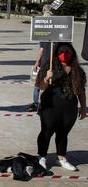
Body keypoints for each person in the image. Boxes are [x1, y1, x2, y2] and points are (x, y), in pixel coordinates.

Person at [35, 43, 86, 171]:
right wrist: (47, 77)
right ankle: (41, 156)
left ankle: (61, 157)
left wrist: (83, 108)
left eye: (67, 52)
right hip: (50, 106)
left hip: (69, 108)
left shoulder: (77, 71)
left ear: (72, 54)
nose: (64, 54)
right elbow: (40, 87)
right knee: (46, 132)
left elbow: (81, 91)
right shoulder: (49, 66)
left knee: (63, 133)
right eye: (61, 52)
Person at [26, 4, 54, 112]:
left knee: (38, 84)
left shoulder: (44, 31)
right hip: (53, 62)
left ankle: (37, 104)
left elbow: (42, 49)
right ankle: (45, 103)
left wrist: (36, 62)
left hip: (45, 62)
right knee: (49, 84)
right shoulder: (57, 31)